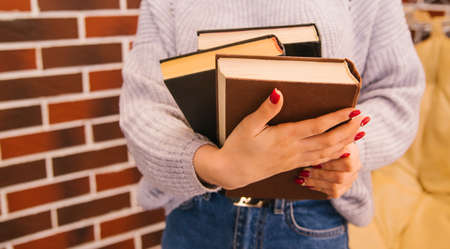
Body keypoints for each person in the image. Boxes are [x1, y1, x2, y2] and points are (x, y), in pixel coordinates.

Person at [119, 0, 425, 248]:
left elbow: (398, 90)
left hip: (311, 212)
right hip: (197, 214)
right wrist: (216, 165)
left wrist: (349, 147)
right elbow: (143, 107)